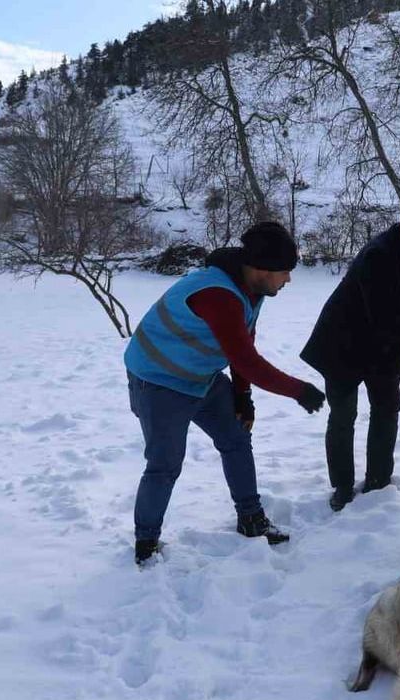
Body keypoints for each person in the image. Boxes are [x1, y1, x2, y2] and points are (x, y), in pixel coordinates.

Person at [123, 221, 326, 564]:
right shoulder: (217, 295)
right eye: (285, 271)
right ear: (262, 268)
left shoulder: (253, 289)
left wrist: (242, 398)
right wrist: (299, 390)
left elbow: (245, 341)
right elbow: (247, 360)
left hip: (200, 377)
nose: (288, 279)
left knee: (236, 437)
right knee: (165, 464)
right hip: (158, 381)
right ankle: (146, 543)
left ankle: (251, 519)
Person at [301, 190, 400, 512]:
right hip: (343, 345)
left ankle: (379, 482)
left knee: (387, 408)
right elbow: (382, 318)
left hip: (384, 348)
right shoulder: (378, 255)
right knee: (344, 415)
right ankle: (342, 489)